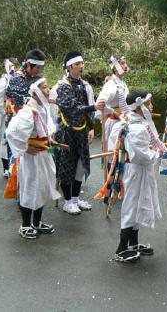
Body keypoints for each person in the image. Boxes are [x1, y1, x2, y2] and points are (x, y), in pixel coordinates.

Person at [110, 90, 163, 263]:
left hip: (137, 170)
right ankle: (121, 248)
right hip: (136, 170)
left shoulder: (131, 121)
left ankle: (133, 244)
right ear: (139, 107)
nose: (152, 106)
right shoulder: (137, 128)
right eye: (149, 103)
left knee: (139, 204)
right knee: (132, 205)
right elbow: (142, 156)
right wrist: (156, 152)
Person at [5, 76, 61, 239]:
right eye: (44, 87)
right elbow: (11, 132)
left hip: (43, 153)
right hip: (32, 157)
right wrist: (24, 147)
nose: (48, 90)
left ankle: (37, 222)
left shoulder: (43, 108)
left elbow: (46, 128)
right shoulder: (28, 111)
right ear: (35, 92)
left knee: (43, 187)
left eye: (47, 86)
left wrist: (49, 139)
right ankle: (25, 225)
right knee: (30, 187)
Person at [53, 52, 106, 214]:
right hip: (66, 132)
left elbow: (88, 108)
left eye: (83, 63)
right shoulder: (62, 87)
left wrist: (91, 127)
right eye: (78, 64)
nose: (82, 66)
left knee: (80, 166)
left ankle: (75, 199)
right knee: (67, 166)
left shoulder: (84, 85)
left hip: (82, 130)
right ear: (69, 67)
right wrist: (94, 108)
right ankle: (67, 201)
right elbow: (71, 108)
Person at [0, 58, 19, 178]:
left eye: (15, 66)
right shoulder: (4, 80)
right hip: (7, 116)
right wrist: (2, 111)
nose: (14, 68)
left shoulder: (21, 78)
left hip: (19, 114)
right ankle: (6, 168)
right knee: (5, 141)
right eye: (11, 66)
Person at [97, 55, 130, 148]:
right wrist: (114, 111)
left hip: (123, 122)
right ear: (115, 68)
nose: (126, 66)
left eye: (125, 63)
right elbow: (99, 103)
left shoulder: (122, 83)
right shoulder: (111, 84)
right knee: (114, 154)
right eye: (122, 63)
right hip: (114, 124)